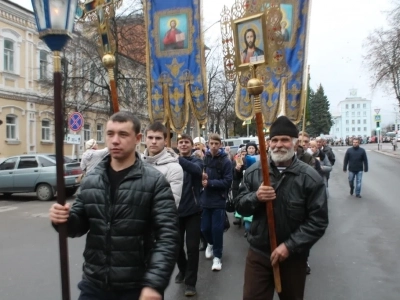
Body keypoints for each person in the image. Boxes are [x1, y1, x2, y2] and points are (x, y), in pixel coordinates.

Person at [49, 111, 180, 300]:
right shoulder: (92, 179)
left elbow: (168, 236)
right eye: (110, 134)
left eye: (123, 134)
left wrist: (154, 283)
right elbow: (77, 226)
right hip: (94, 283)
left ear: (137, 139)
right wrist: (63, 219)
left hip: (136, 287)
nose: (115, 140)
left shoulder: (154, 182)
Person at [236, 116, 328, 300]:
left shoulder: (309, 178)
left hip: (292, 257)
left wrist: (289, 246)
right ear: (268, 143)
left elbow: (318, 221)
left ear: (295, 144)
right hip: (259, 253)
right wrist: (256, 197)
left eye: (285, 140)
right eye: (275, 140)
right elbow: (239, 206)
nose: (279, 145)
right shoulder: (254, 172)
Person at [174, 134, 203, 297]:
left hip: (193, 211)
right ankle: (183, 269)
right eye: (181, 142)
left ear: (191, 145)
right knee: (176, 246)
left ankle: (191, 283)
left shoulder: (196, 160)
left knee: (192, 248)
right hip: (175, 211)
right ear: (177, 145)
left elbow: (197, 171)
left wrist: (177, 159)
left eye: (186, 142)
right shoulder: (172, 162)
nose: (184, 145)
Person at [201, 133, 233, 271]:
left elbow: (227, 181)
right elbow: (200, 174)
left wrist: (210, 183)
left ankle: (217, 258)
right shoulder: (205, 158)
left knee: (217, 229)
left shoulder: (226, 161)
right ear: (208, 144)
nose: (213, 146)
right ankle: (210, 243)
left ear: (220, 145)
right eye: (211, 143)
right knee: (204, 228)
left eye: (216, 144)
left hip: (219, 199)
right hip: (205, 198)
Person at [142, 121, 183, 208]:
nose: (153, 141)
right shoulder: (137, 162)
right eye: (150, 137)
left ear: (165, 141)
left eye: (158, 138)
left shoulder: (174, 168)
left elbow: (170, 204)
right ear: (145, 139)